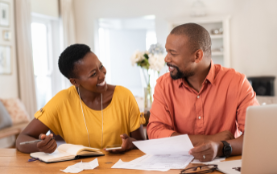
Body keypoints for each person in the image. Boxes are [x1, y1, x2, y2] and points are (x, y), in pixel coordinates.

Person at [147, 23, 259, 162]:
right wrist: (207, 139)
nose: (166, 59)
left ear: (197, 55)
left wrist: (220, 147)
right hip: (179, 167)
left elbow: (256, 135)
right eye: (167, 51)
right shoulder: (163, 85)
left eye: (173, 53)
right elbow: (155, 132)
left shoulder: (236, 82)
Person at [16, 44, 145, 154]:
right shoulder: (62, 101)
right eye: (93, 74)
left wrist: (129, 144)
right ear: (74, 82)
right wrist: (39, 146)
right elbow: (22, 139)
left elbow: (141, 143)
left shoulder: (124, 96)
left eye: (101, 66)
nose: (102, 75)